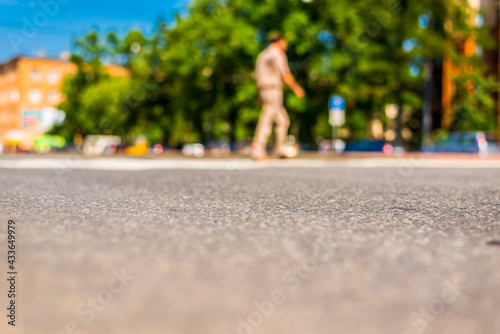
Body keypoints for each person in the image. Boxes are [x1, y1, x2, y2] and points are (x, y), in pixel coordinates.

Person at [252, 33, 305, 160]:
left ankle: (279, 149)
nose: (285, 45)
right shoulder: (277, 54)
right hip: (273, 89)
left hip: (264, 90)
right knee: (267, 119)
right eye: (284, 42)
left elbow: (257, 77)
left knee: (283, 120)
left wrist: (259, 96)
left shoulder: (263, 55)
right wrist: (297, 88)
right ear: (280, 41)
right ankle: (258, 150)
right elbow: (285, 74)